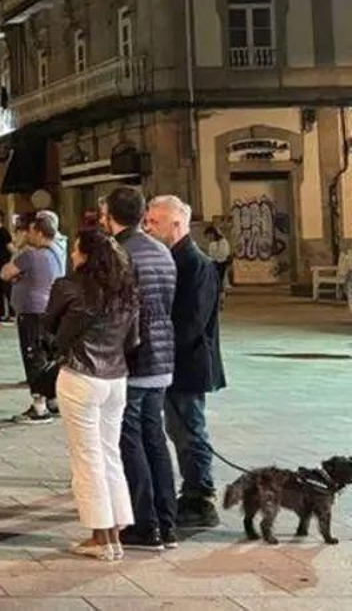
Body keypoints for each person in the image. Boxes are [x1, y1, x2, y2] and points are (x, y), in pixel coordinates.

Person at [45, 226, 141, 561]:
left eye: (76, 250)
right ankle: (115, 533)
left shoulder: (69, 287)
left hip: (80, 375)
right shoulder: (126, 289)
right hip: (116, 378)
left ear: (86, 255)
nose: (72, 255)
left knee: (86, 458)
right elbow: (133, 340)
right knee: (110, 454)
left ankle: (100, 537)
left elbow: (50, 328)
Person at [100, 186, 179, 551]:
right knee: (154, 439)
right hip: (162, 355)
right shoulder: (161, 250)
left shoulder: (118, 253)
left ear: (109, 217)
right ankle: (167, 522)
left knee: (129, 440)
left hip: (133, 358)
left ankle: (145, 525)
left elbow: (116, 311)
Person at [145, 196, 226, 530]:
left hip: (188, 364)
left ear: (176, 224)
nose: (148, 227)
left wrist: (158, 345)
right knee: (178, 429)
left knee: (190, 430)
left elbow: (191, 322)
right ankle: (190, 491)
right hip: (171, 362)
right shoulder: (171, 258)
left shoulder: (196, 264)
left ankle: (200, 497)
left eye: (154, 222)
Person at [4, 213, 65, 423]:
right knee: (47, 356)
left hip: (31, 312)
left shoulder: (30, 255)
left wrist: (18, 250)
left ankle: (39, 407)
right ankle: (53, 400)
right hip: (50, 310)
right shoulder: (57, 251)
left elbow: (5, 273)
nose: (27, 235)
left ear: (38, 233)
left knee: (33, 356)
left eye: (30, 232)